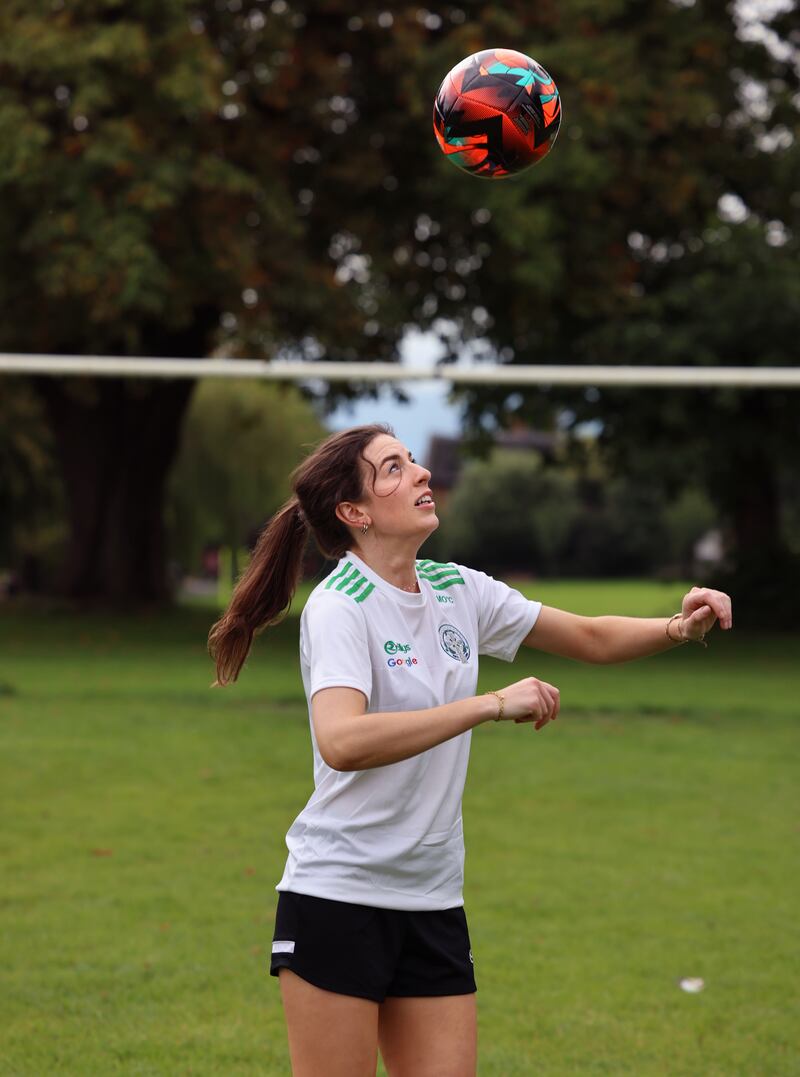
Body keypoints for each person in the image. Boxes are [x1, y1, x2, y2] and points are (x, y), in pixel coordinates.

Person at [208, 423, 732, 1077]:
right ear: (354, 512)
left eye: (413, 460)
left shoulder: (457, 589)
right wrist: (486, 705)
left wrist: (678, 626)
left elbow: (592, 636)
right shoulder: (341, 605)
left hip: (432, 901)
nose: (422, 473)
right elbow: (341, 740)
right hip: (337, 899)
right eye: (393, 468)